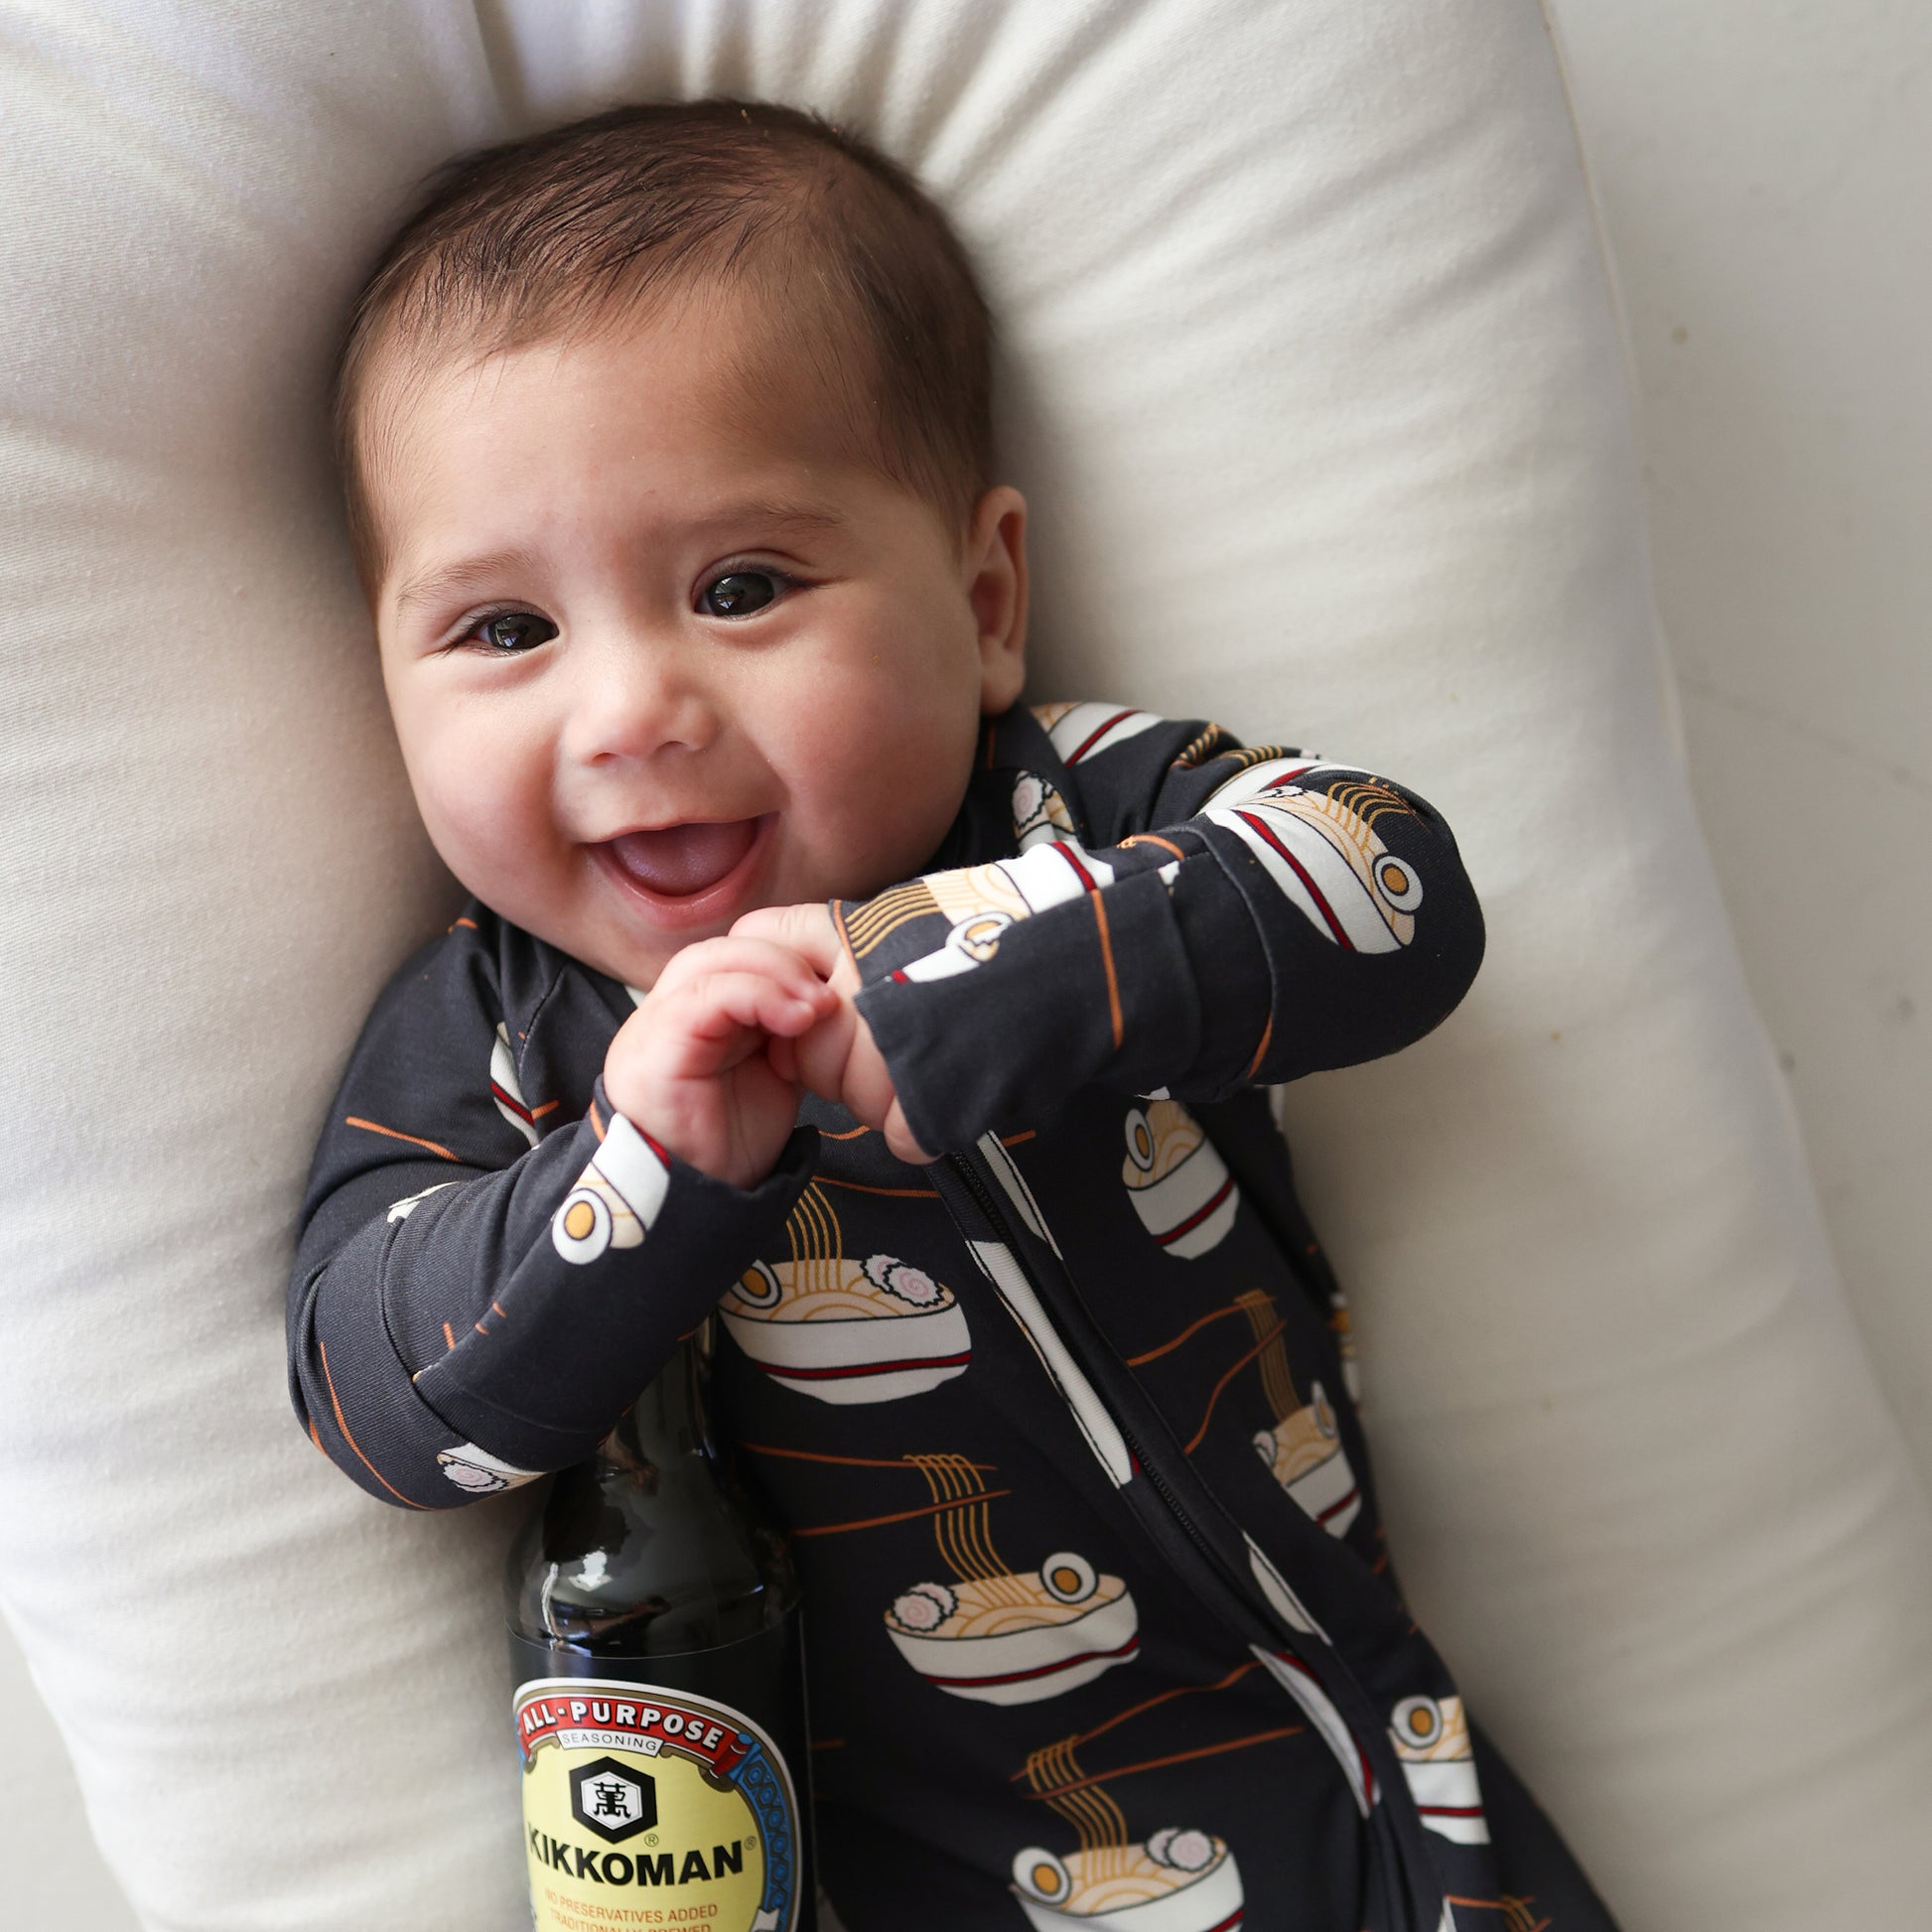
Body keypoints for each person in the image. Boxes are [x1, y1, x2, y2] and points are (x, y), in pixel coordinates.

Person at [289, 98, 1618, 1932]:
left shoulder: (1068, 816)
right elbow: (373, 1402)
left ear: (986, 602)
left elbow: (1385, 882)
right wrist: (648, 1163)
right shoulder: (504, 1028)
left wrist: (967, 961)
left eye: (741, 588)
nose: (629, 712)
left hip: (1377, 1786)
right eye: (504, 630)